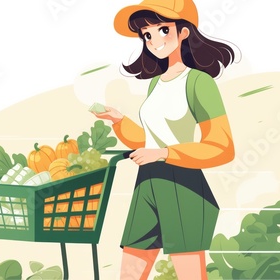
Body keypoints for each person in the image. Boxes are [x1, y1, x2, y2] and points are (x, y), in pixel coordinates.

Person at [92, 0, 237, 279]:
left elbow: (222, 146)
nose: (153, 40)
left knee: (189, 274)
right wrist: (120, 121)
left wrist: (164, 154)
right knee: (130, 273)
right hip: (147, 186)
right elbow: (149, 139)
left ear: (184, 32)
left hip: (183, 188)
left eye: (162, 30)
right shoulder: (155, 83)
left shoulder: (199, 82)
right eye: (146, 34)